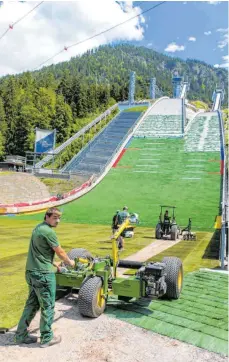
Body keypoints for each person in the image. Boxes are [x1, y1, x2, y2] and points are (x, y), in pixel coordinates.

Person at [14, 207, 75, 348]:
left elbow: (40, 252)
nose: (58, 221)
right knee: (48, 306)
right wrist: (69, 262)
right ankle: (47, 338)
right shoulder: (49, 232)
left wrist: (54, 264)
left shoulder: (38, 228)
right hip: (43, 275)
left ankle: (20, 335)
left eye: (59, 218)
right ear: (46, 217)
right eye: (55, 217)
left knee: (32, 304)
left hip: (31, 272)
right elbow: (59, 251)